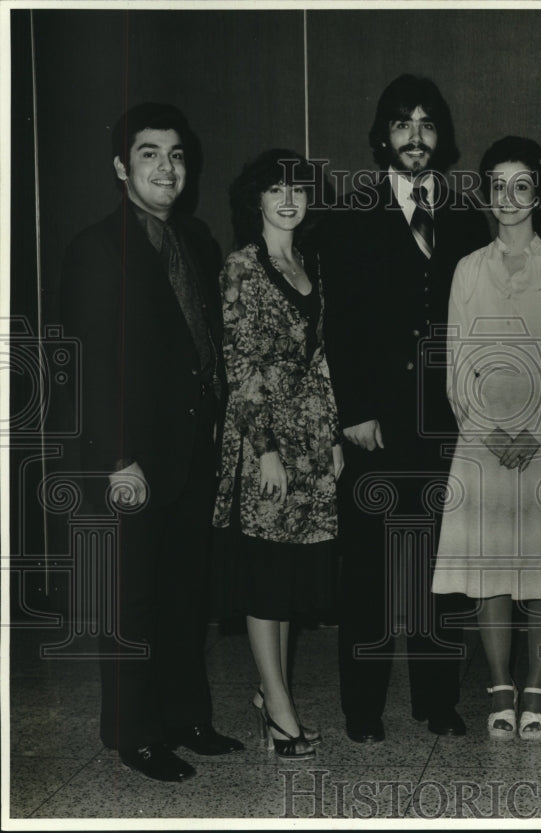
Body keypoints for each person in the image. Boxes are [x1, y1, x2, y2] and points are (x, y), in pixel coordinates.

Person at [59, 102, 243, 782]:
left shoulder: (195, 238)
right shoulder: (96, 248)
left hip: (193, 450)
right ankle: (133, 733)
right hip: (131, 457)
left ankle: (187, 718)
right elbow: (89, 365)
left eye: (176, 155)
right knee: (131, 598)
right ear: (119, 167)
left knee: (183, 594)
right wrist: (117, 458)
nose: (167, 167)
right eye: (148, 154)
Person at [321, 74, 491, 743]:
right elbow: (340, 324)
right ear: (382, 137)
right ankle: (362, 707)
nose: (415, 137)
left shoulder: (465, 215)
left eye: (426, 125)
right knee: (369, 569)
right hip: (376, 424)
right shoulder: (351, 213)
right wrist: (355, 408)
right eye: (401, 124)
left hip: (450, 423)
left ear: (441, 137)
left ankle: (437, 699)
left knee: (442, 569)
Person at [431, 137, 541, 741]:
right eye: (497, 185)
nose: (508, 198)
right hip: (484, 444)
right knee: (493, 568)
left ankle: (538, 686)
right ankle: (500, 684)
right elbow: (458, 362)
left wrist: (538, 431)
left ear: (537, 193)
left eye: (520, 185)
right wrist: (489, 432)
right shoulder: (468, 269)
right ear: (486, 193)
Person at [211, 149, 344, 760]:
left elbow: (320, 359)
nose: (287, 199)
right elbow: (239, 365)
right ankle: (280, 712)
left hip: (311, 441)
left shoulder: (309, 261)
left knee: (288, 579)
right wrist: (263, 450)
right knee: (265, 579)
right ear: (255, 200)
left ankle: (274, 696)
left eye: (297, 189)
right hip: (264, 441)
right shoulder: (242, 266)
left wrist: (331, 436)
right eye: (274, 190)